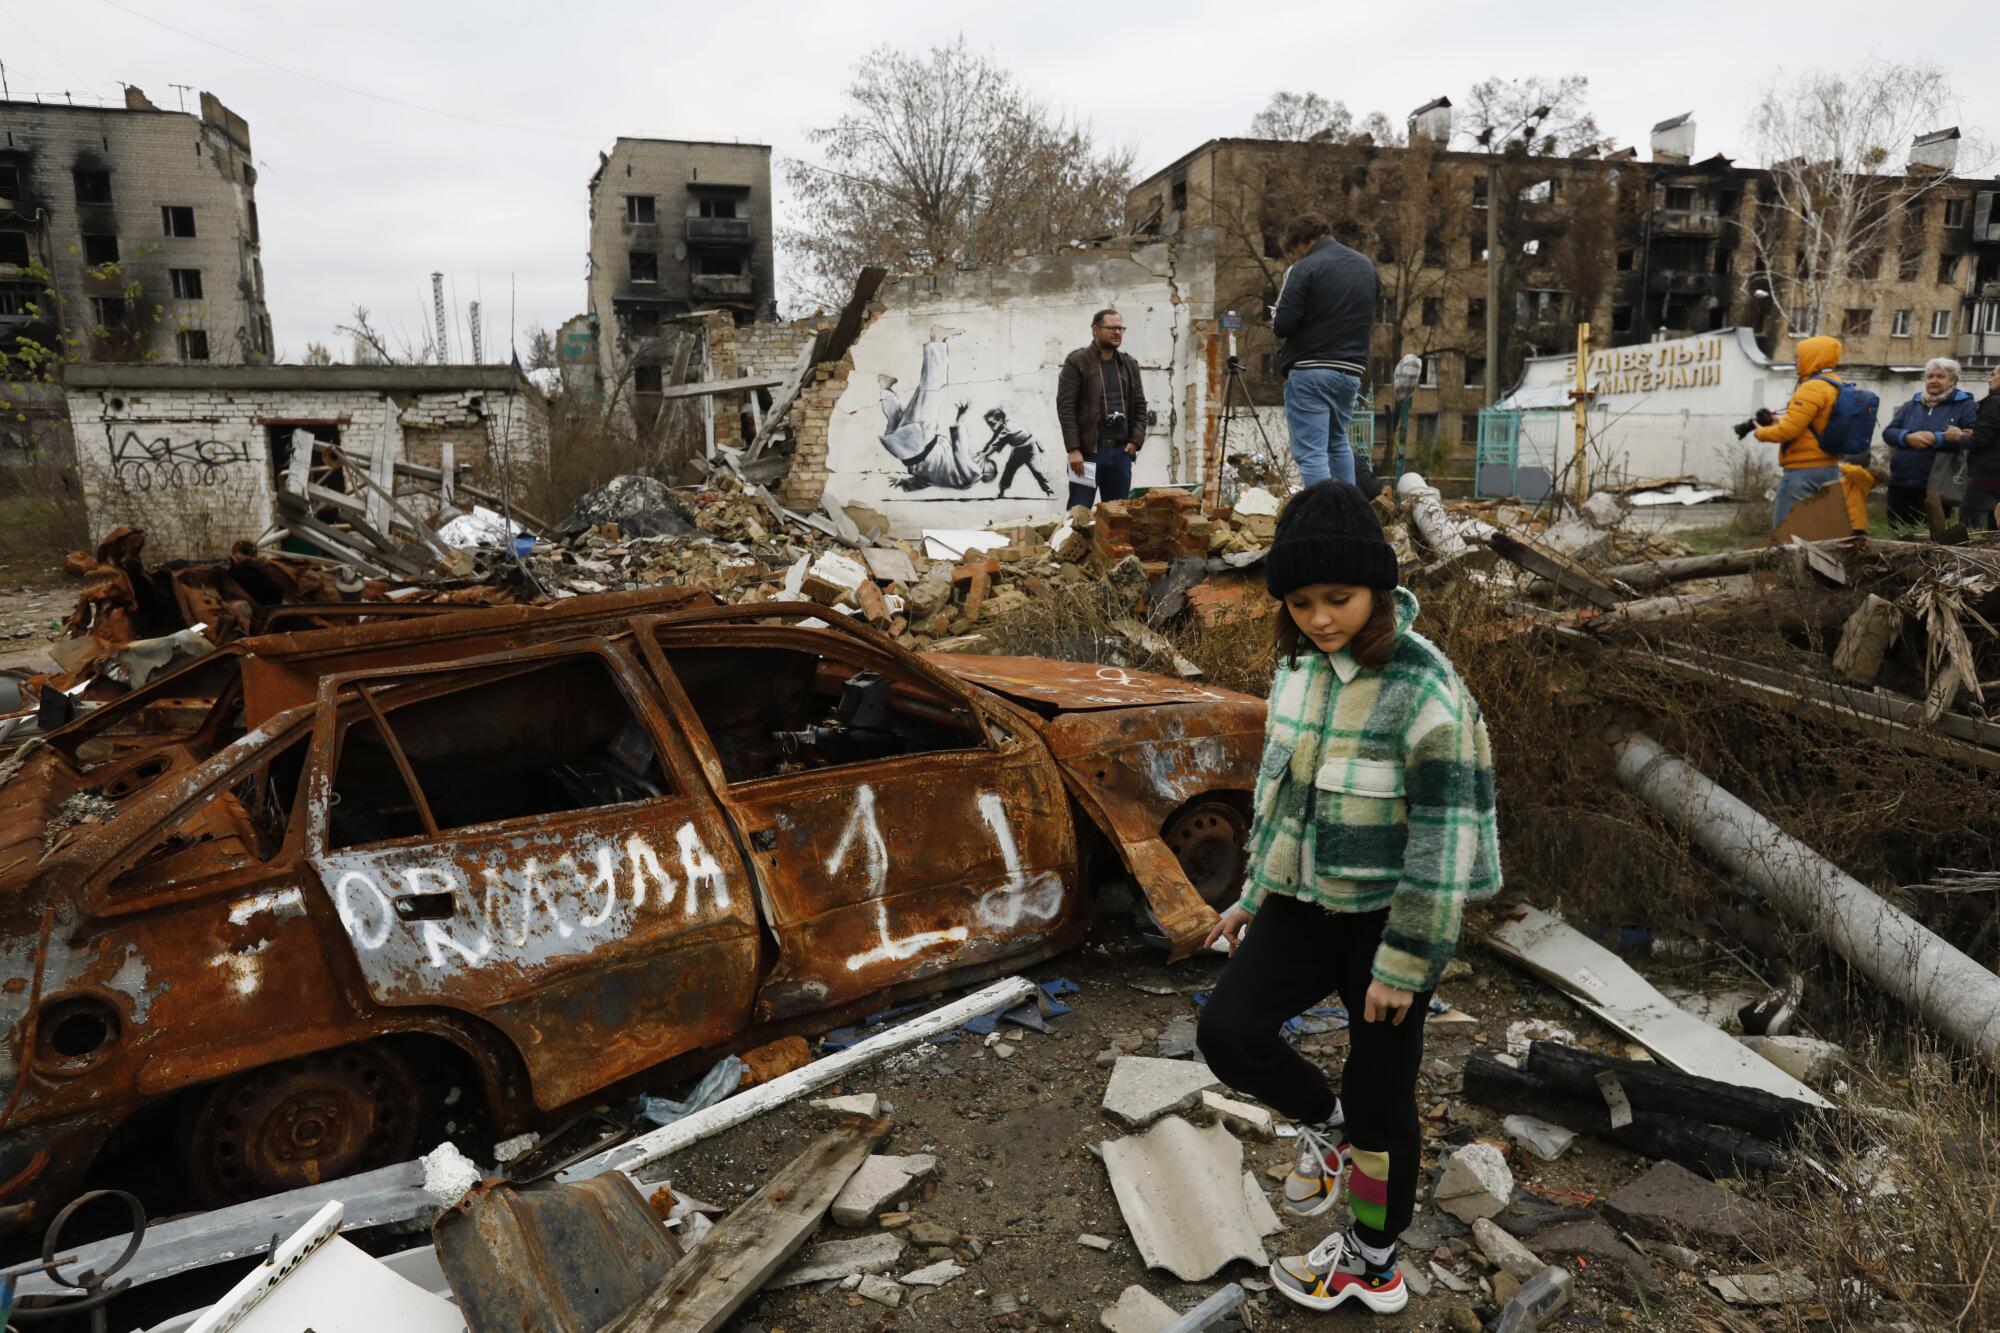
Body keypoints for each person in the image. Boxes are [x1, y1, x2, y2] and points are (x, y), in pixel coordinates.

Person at [1195, 482, 1501, 1316]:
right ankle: (1324, 1130)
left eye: (1338, 598)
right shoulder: (1297, 666)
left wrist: (1404, 963)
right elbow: (1282, 793)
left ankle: (1372, 1259)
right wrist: (1254, 890)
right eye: (1301, 601)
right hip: (1300, 903)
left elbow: (1446, 841)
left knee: (1381, 1101)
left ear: (1376, 587)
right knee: (1227, 1031)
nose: (1321, 617)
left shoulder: (1423, 686)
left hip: (1386, 925)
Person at [1272, 215, 1376, 489]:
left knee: (1312, 453)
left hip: (1311, 371)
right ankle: (1349, 517)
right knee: (1338, 443)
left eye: (1294, 251)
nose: (1295, 256)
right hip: (1351, 371)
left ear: (1302, 242)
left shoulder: (1304, 267)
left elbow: (1283, 325)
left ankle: (1324, 521)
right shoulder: (1365, 266)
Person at [1752, 335, 1849, 528]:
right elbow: (1813, 425)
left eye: (1798, 356)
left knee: (1786, 532)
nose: (1795, 361)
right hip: (1829, 469)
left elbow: (1787, 432)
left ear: (1813, 357)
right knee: (1817, 531)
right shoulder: (1838, 385)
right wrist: (1780, 423)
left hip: (1803, 472)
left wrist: (1761, 432)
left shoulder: (1812, 388)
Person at [1056, 309, 1147, 509]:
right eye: (1111, 328)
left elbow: (1140, 405)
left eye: (1120, 328)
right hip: (1088, 455)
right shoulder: (1077, 361)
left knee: (1117, 517)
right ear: (1095, 330)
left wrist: (1135, 441)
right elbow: (1066, 408)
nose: (1117, 333)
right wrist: (1073, 449)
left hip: (1121, 453)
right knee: (1078, 514)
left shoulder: (1129, 364)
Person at [1882, 357, 1980, 527]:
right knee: (1896, 533)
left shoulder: (1966, 405)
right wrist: (1907, 437)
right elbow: (1889, 433)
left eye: (1940, 376)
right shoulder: (1911, 405)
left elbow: (1970, 437)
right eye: (1930, 376)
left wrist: (1937, 438)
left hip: (1937, 484)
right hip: (1901, 480)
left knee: (1931, 538)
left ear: (1953, 381)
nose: (1933, 380)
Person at [974, 407, 1055, 499]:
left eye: (992, 423)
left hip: (1030, 449)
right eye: (988, 424)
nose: (990, 427)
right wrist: (983, 452)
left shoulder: (1007, 429)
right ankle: (1002, 492)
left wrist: (984, 455)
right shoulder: (1003, 426)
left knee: (1037, 471)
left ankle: (1049, 491)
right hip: (1018, 450)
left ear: (1000, 420)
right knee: (1009, 470)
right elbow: (992, 441)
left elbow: (994, 446)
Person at [1962, 363, 2000, 532]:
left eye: (1993, 374)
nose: (1989, 379)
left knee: (1970, 526)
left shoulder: (1995, 401)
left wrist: (1960, 437)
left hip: (1987, 476)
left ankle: (1966, 557)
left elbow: (1981, 440)